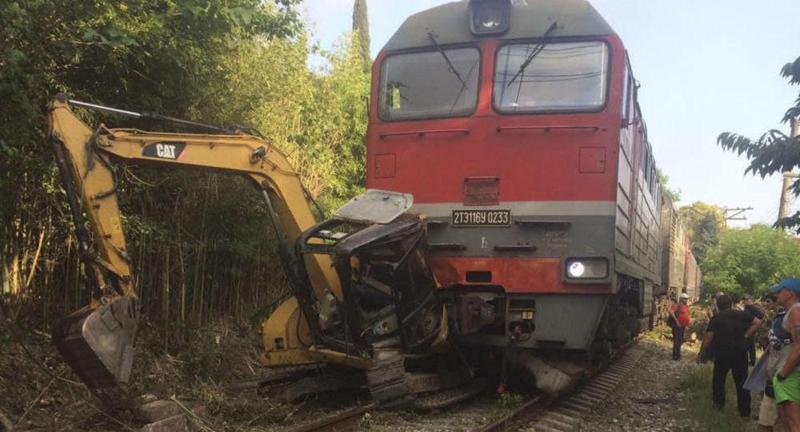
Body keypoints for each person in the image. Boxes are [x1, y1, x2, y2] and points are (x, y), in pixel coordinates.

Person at [698, 293, 762, 418]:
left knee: (719, 381)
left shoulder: (716, 318)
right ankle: (744, 412)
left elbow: (708, 337)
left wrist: (702, 352)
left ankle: (718, 406)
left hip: (722, 353)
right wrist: (746, 335)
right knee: (742, 382)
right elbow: (758, 322)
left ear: (718, 305)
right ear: (731, 304)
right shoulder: (742, 314)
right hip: (740, 352)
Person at [756, 293, 790, 432]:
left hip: (781, 373)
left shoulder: (786, 319)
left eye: (769, 301)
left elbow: (783, 346)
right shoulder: (776, 317)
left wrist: (779, 373)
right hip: (776, 371)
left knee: (773, 420)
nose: (766, 304)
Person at [770, 278, 800, 432]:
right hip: (789, 373)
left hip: (791, 374)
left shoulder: (796, 310)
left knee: (793, 422)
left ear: (790, 293)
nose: (777, 294)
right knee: (788, 420)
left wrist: (783, 374)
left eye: (780, 291)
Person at [744, 294, 767, 366]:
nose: (745, 301)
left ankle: (752, 361)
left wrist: (755, 322)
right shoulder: (747, 307)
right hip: (748, 327)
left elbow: (761, 315)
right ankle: (750, 360)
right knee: (749, 344)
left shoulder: (752, 307)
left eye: (746, 300)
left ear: (749, 300)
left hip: (751, 328)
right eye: (744, 300)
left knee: (749, 344)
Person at [669, 293, 692, 360]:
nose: (687, 300)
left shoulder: (685, 306)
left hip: (683, 326)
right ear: (681, 299)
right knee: (677, 340)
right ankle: (676, 356)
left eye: (687, 299)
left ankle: (678, 354)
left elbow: (688, 314)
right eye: (685, 299)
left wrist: (688, 322)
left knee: (680, 340)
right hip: (677, 326)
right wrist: (677, 321)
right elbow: (671, 312)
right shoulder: (677, 305)